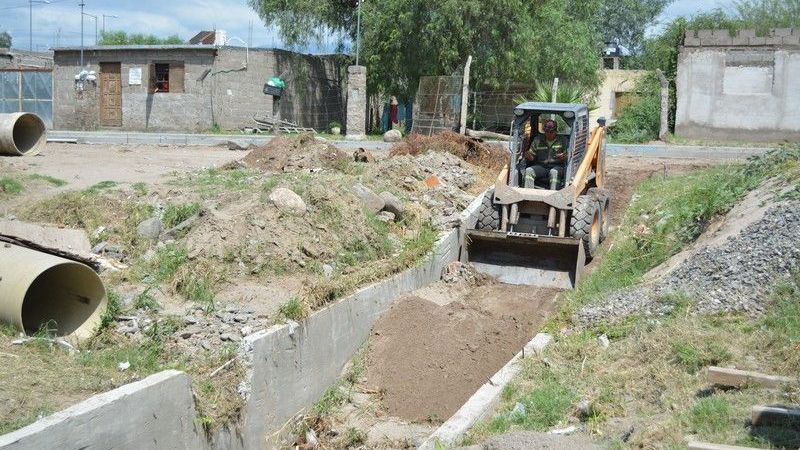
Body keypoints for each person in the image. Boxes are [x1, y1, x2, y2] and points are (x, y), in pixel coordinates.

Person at [519, 119, 567, 188]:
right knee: (529, 171)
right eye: (547, 132)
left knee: (554, 172)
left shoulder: (563, 140)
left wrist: (563, 156)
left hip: (557, 166)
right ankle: (528, 195)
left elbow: (568, 155)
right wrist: (527, 155)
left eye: (551, 132)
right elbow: (532, 157)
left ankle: (553, 195)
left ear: (556, 131)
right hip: (541, 166)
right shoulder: (537, 140)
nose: (549, 134)